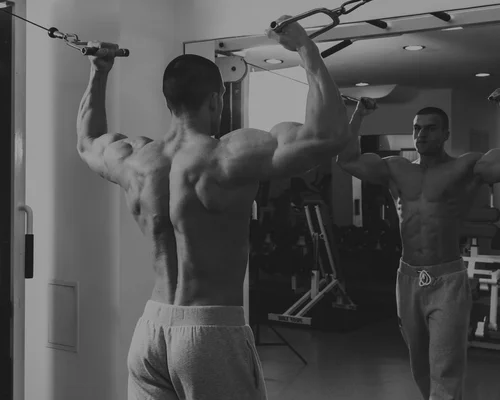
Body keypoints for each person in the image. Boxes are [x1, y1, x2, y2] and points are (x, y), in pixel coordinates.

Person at [75, 15, 349, 400]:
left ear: (169, 101)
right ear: (216, 98)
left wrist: (98, 72)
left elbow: (88, 142)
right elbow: (328, 135)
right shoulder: (228, 155)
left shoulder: (135, 159)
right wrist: (306, 48)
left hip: (151, 330)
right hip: (209, 331)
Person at [336, 89, 500, 400]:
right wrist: (358, 115)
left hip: (447, 278)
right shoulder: (396, 167)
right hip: (408, 277)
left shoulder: (465, 166)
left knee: (445, 367)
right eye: (417, 128)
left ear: (446, 133)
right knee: (420, 367)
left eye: (430, 128)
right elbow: (347, 160)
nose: (421, 134)